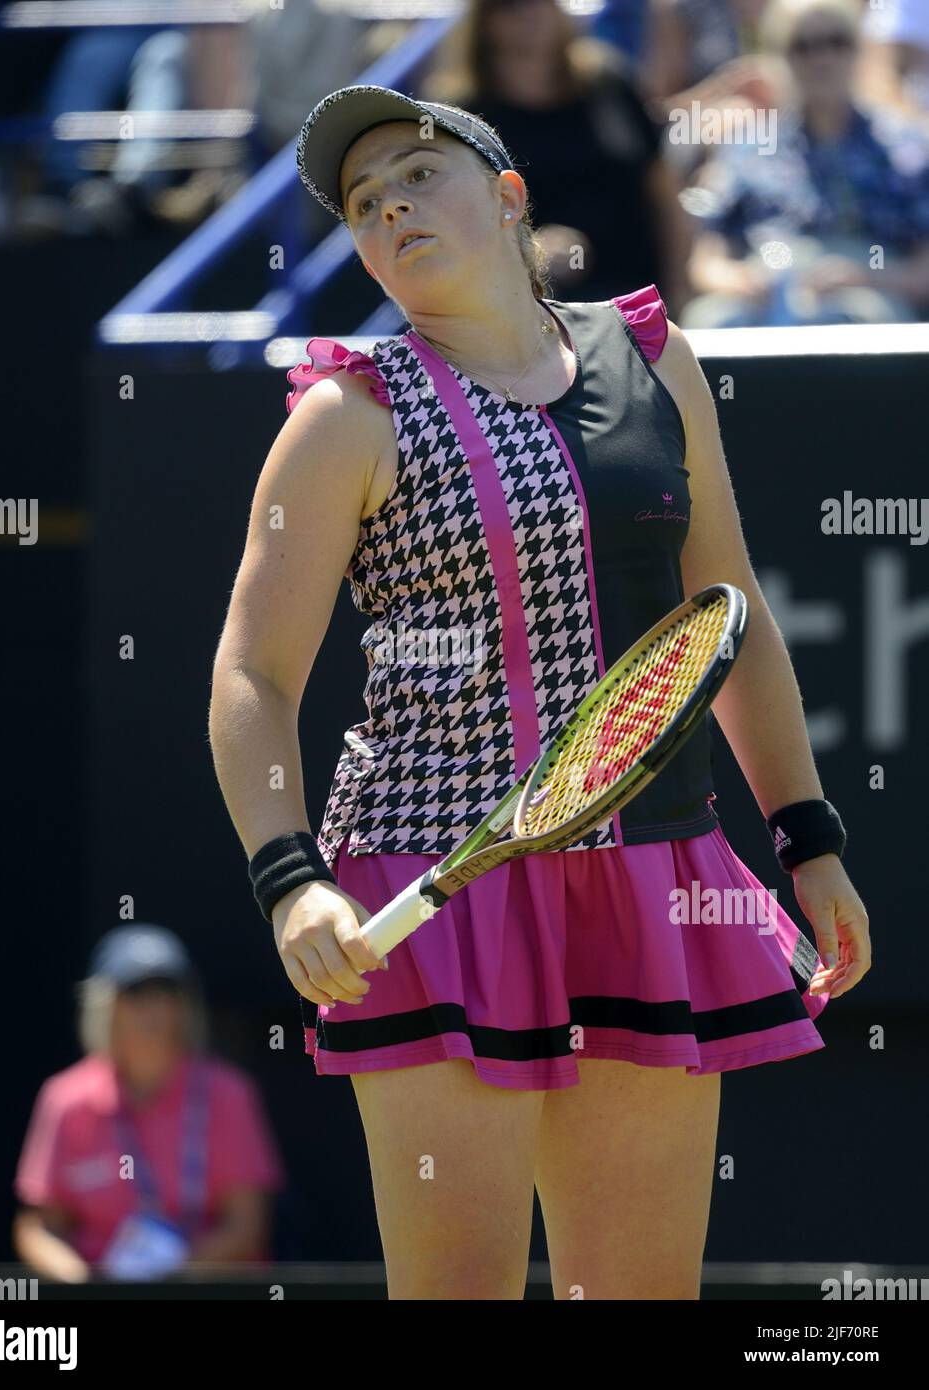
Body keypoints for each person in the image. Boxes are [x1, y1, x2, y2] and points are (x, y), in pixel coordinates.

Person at [208, 83, 871, 1299]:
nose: (390, 207)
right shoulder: (343, 414)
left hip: (656, 874)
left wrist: (807, 837)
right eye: (364, 202)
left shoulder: (657, 365)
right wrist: (289, 879)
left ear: (508, 199)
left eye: (418, 174)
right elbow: (252, 671)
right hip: (426, 884)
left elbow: (726, 611)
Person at [13, 925, 285, 1282]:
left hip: (202, 1287)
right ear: (104, 1005)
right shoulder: (65, 1099)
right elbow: (39, 1227)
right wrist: (81, 1284)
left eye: (166, 990)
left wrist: (165, 1280)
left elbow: (248, 1225)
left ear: (185, 1004)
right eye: (135, 991)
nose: (152, 1007)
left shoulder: (229, 1093)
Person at [421, 0, 691, 308]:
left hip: (639, 302)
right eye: (510, 8)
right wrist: (529, 250)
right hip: (529, 316)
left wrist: (679, 288)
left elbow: (663, 189)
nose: (529, 14)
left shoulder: (607, 86)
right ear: (483, 21)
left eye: (542, 3)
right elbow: (453, 222)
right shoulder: (462, 115)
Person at [683, 0, 929, 327]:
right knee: (711, 324)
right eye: (803, 46)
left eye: (836, 42)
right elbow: (707, 261)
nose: (822, 59)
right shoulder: (747, 146)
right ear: (779, 56)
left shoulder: (906, 146)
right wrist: (740, 281)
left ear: (858, 50)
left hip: (871, 290)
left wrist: (870, 278)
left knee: (856, 323)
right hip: (768, 288)